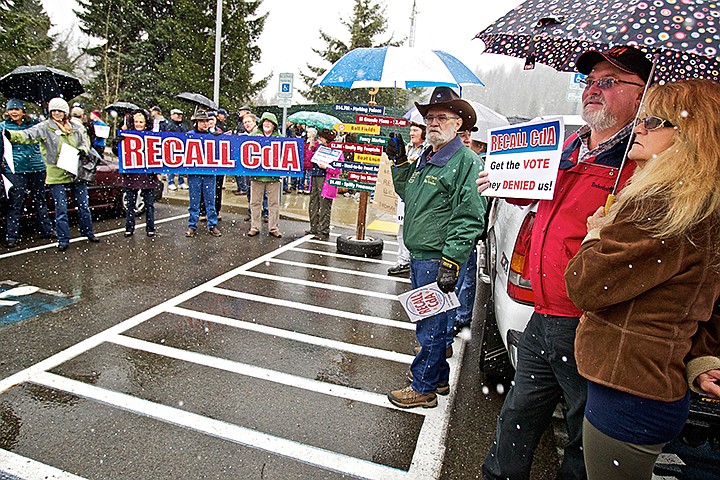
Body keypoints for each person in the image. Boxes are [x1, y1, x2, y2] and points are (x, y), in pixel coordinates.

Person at [477, 45, 651, 480]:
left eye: (608, 82)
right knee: (518, 412)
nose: (593, 90)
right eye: (589, 81)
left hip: (590, 322)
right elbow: (546, 201)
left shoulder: (644, 164)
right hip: (544, 312)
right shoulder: (573, 145)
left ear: (643, 94)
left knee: (583, 433)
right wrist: (504, 184)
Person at [563, 78, 720, 480]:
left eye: (654, 121)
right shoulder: (701, 206)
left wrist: (598, 232)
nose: (639, 127)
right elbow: (707, 300)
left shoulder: (661, 205)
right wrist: (703, 355)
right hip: (653, 385)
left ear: (690, 134)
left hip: (628, 389)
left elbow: (583, 285)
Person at [386, 86, 486, 408]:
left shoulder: (466, 161)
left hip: (437, 258)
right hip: (421, 256)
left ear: (459, 124)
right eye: (429, 117)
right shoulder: (426, 158)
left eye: (442, 117)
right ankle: (438, 378)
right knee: (435, 324)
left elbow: (470, 215)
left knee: (431, 327)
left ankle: (423, 387)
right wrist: (400, 162)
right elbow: (410, 195)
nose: (433, 122)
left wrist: (452, 261)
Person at [5, 97, 99, 252]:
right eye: (53, 111)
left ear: (66, 112)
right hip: (56, 173)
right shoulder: (44, 127)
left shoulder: (75, 126)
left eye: (60, 111)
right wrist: (9, 134)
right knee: (61, 208)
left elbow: (84, 143)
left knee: (83, 205)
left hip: (76, 170)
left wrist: (81, 150)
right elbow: (27, 135)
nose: (56, 113)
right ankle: (63, 239)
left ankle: (88, 232)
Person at [2, 98, 54, 247]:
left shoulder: (34, 125)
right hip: (15, 170)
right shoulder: (3, 127)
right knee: (15, 203)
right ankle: (12, 236)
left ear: (23, 111)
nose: (14, 112)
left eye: (17, 109)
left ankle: (47, 230)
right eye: (11, 109)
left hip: (37, 168)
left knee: (40, 200)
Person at [387, 122, 425, 276]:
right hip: (405, 196)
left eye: (415, 130)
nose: (411, 133)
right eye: (410, 130)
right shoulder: (408, 147)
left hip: (419, 195)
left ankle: (412, 260)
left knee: (415, 230)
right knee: (402, 229)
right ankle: (403, 260)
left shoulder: (428, 150)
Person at [121, 109, 159, 238]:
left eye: (141, 122)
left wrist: (158, 171)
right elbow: (118, 152)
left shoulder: (152, 136)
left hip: (147, 175)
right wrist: (118, 142)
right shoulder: (126, 135)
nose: (138, 124)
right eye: (136, 121)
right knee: (130, 204)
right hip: (132, 174)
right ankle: (129, 228)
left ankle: (150, 228)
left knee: (149, 204)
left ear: (145, 123)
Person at [185, 109, 221, 238]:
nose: (205, 124)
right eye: (202, 121)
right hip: (194, 172)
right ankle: (192, 225)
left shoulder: (213, 135)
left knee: (210, 199)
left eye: (207, 121)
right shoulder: (189, 135)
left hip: (209, 173)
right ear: (196, 122)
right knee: (194, 200)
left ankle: (212, 225)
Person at [247, 112, 282, 238]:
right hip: (257, 176)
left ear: (274, 125)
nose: (267, 124)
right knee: (255, 202)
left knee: (274, 203)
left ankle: (273, 227)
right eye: (265, 121)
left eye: (270, 122)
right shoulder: (253, 135)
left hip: (273, 176)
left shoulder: (280, 138)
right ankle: (255, 226)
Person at [306, 128, 341, 241]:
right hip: (315, 177)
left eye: (321, 137)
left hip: (326, 180)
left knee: (324, 205)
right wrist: (310, 149)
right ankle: (314, 227)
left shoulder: (336, 150)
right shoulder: (318, 147)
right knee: (313, 203)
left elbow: (337, 169)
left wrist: (326, 168)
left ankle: (323, 229)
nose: (319, 139)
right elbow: (308, 162)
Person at [232, 106, 253, 196]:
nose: (239, 112)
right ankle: (242, 187)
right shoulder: (239, 122)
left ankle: (244, 188)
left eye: (242, 111)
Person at [165, 108, 188, 191]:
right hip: (173, 149)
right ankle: (171, 182)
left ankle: (181, 182)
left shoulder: (183, 126)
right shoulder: (170, 126)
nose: (179, 116)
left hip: (182, 148)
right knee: (172, 166)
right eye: (177, 114)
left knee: (182, 166)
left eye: (180, 115)